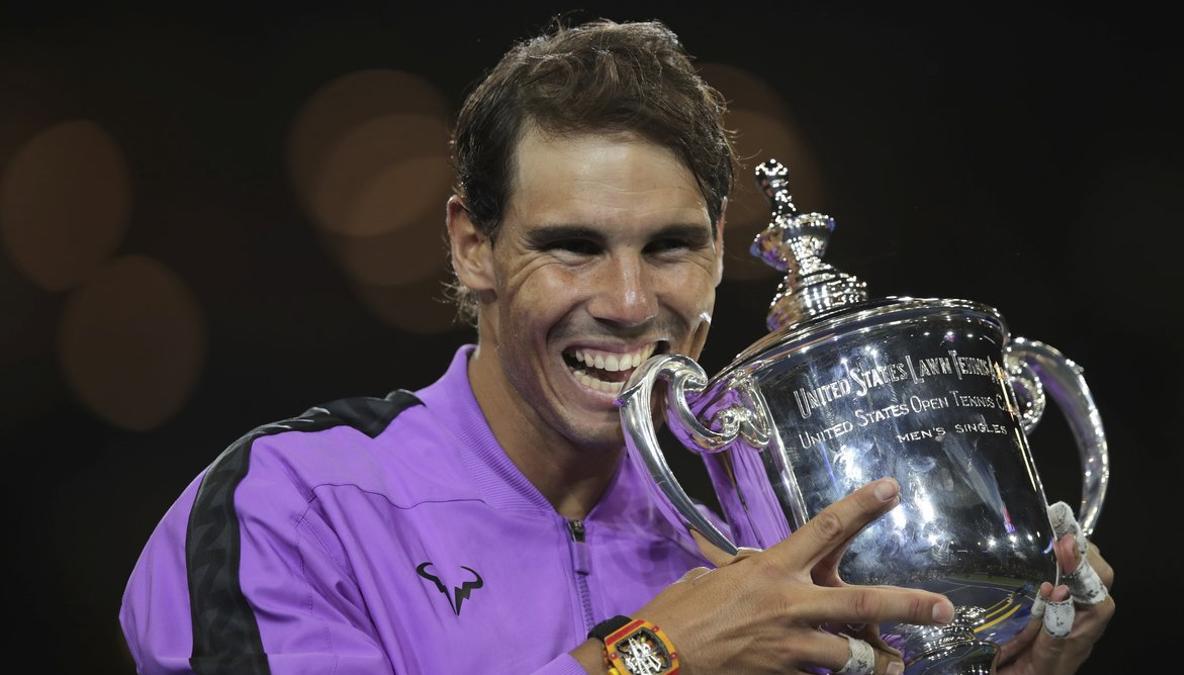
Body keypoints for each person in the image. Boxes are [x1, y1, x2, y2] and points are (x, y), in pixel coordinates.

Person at [120, 19, 1114, 675]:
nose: (631, 301)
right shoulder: (289, 505)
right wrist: (655, 656)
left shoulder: (784, 522)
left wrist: (999, 655)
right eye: (573, 247)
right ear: (473, 246)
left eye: (671, 248)